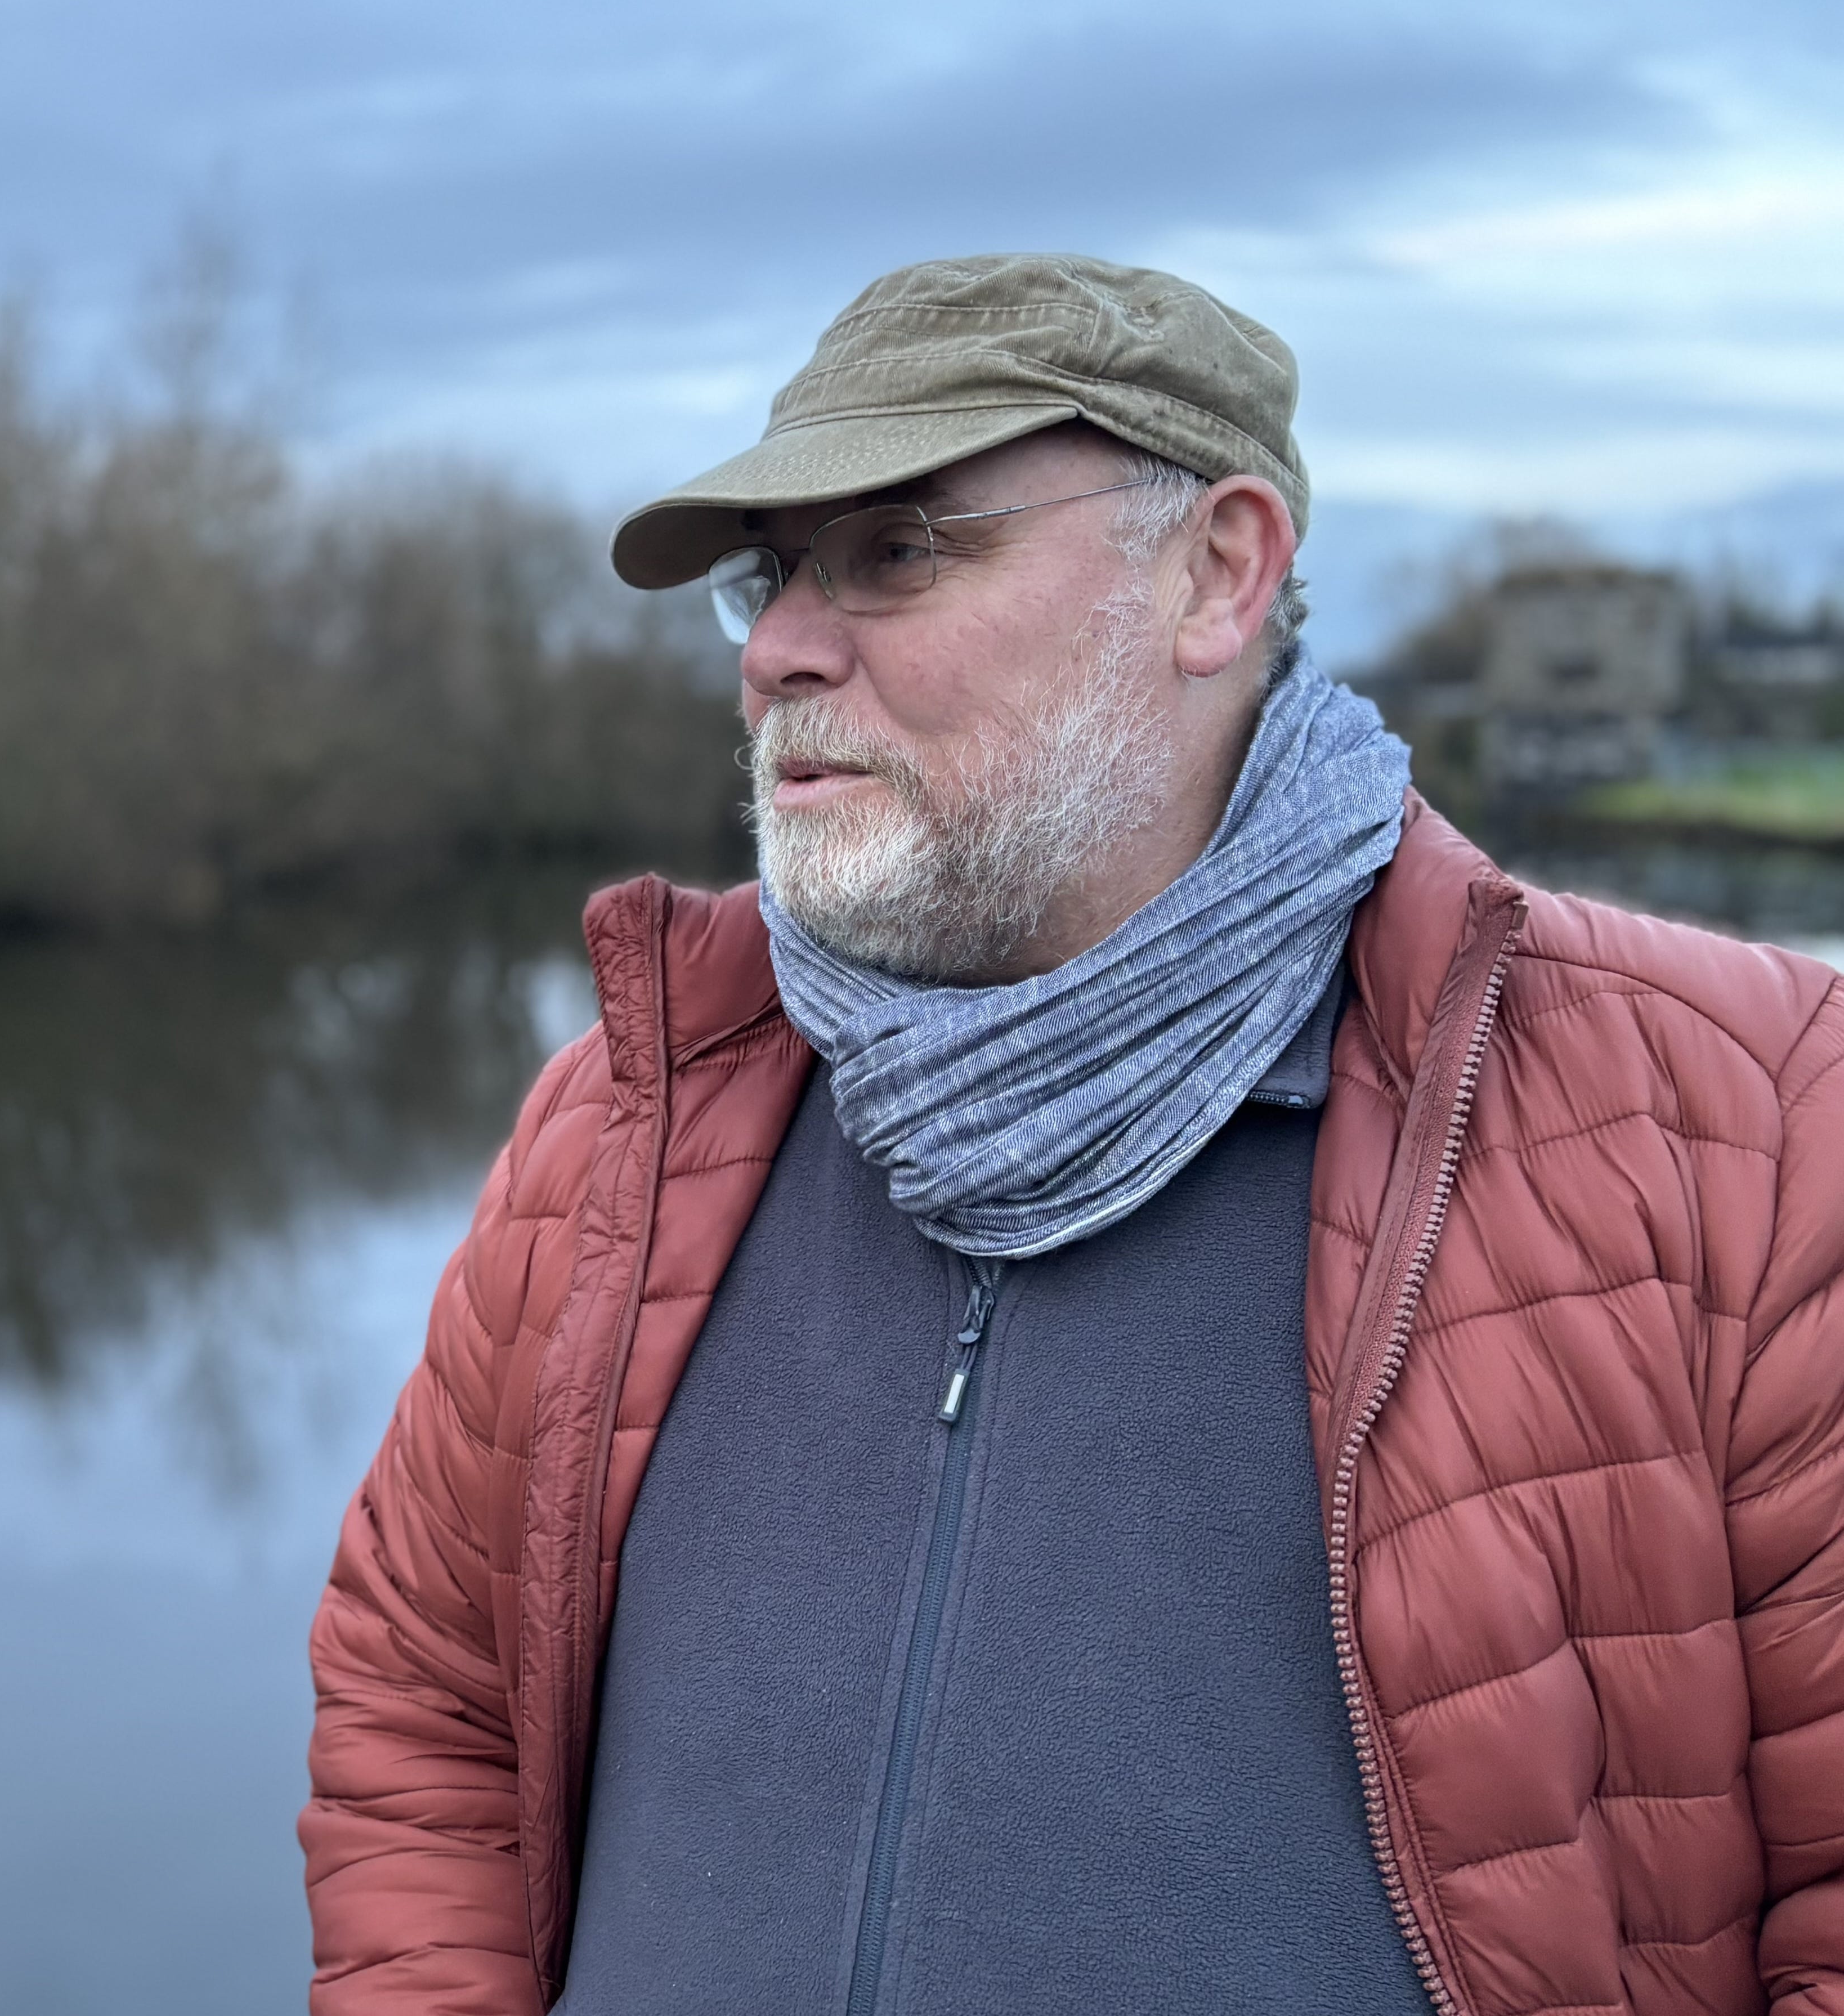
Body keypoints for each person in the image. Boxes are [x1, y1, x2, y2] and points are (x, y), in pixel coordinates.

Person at [299, 252, 1844, 2016]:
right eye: (772, 575)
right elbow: (426, 1700)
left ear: (1216, 573)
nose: (785, 650)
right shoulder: (623, 1129)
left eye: (900, 550)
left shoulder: (1752, 1125)